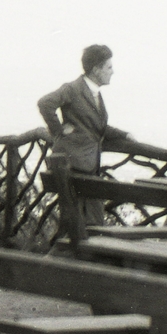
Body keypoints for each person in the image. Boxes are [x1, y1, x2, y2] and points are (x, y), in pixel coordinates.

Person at [37, 44, 130, 227]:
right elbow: (45, 103)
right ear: (96, 70)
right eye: (109, 67)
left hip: (86, 166)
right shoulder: (72, 89)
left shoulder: (94, 93)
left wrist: (125, 135)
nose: (113, 72)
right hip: (75, 166)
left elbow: (97, 126)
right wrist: (59, 131)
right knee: (82, 222)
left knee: (83, 221)